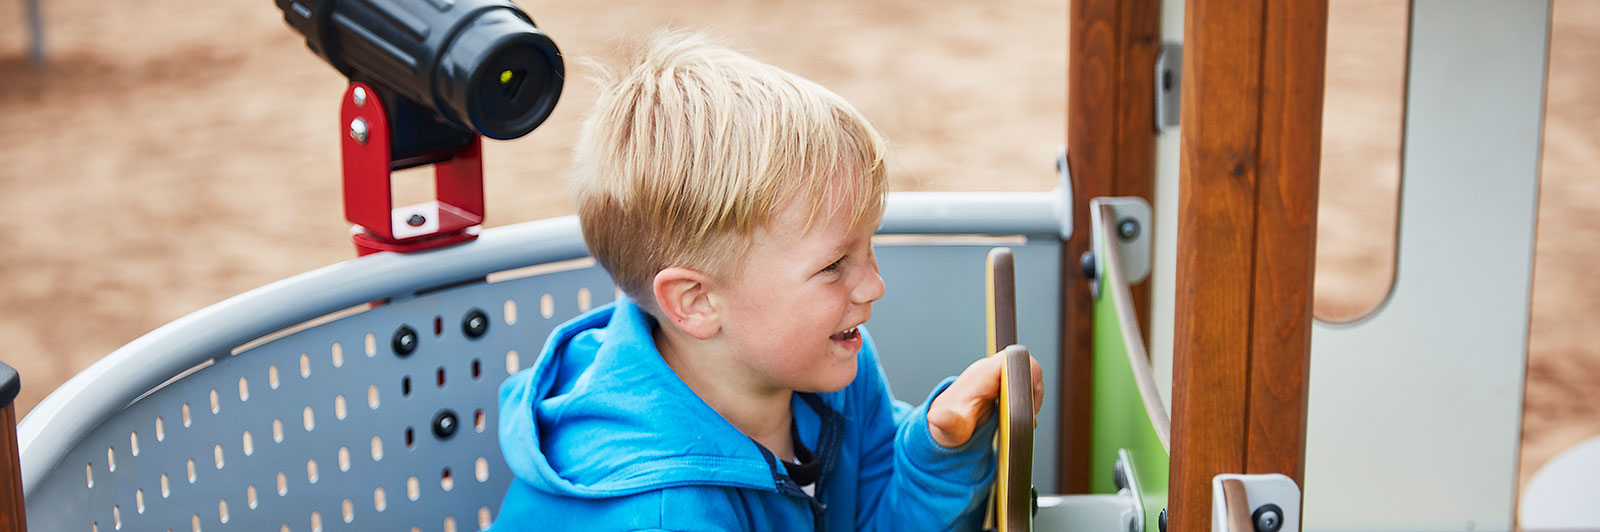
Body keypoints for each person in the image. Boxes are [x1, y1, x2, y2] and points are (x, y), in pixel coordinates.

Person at [493, 30, 1044, 531]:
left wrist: (939, 449)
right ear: (697, 302)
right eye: (833, 266)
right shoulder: (664, 514)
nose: (873, 285)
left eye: (867, 246)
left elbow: (877, 514)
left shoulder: (831, 370)